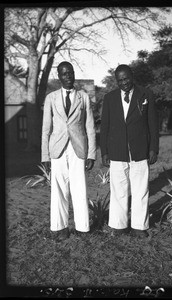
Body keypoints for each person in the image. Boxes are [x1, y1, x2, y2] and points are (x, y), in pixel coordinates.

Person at [100, 64, 159, 238]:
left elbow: (153, 124)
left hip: (140, 149)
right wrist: (104, 151)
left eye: (126, 79)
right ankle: (119, 225)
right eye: (120, 80)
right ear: (116, 81)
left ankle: (139, 226)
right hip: (117, 150)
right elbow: (104, 127)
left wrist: (153, 148)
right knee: (119, 189)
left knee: (140, 189)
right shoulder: (109, 98)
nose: (124, 83)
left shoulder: (146, 94)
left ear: (132, 76)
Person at [41, 61, 96, 240]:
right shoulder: (51, 98)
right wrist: (45, 155)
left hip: (78, 149)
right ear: (59, 76)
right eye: (64, 73)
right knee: (58, 190)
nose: (68, 76)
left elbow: (90, 127)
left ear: (74, 74)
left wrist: (91, 154)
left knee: (80, 188)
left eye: (70, 72)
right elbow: (46, 129)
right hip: (56, 149)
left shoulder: (83, 97)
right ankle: (60, 228)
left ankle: (82, 228)